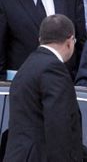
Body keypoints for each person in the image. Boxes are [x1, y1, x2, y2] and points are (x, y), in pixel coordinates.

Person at [4, 14, 82, 161]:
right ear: (70, 41)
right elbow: (58, 128)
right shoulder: (53, 68)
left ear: (40, 40)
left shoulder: (28, 65)